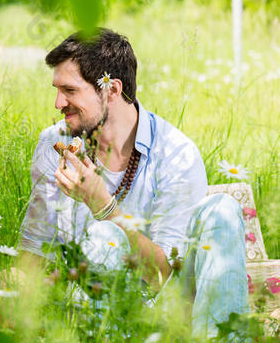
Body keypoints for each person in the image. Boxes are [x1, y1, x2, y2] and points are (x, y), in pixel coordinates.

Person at [19, 28, 248, 338]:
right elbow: (35, 253)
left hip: (171, 310)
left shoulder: (175, 153)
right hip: (93, 310)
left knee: (223, 208)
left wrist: (105, 207)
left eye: (70, 90)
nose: (58, 102)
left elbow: (166, 277)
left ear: (111, 90)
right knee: (103, 236)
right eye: (57, 89)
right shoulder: (54, 143)